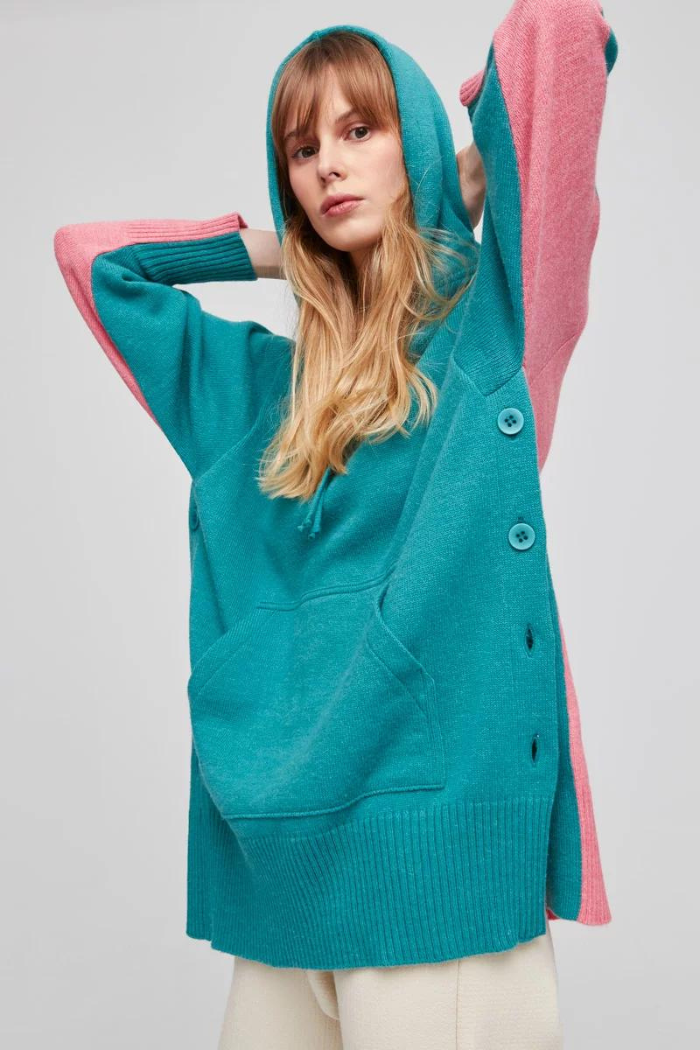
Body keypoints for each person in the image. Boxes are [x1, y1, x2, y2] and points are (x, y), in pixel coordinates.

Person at [53, 1, 619, 1046]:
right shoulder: (256, 393)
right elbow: (92, 260)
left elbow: (559, 31)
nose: (328, 166)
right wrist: (277, 250)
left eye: (361, 130)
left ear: (414, 143)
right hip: (281, 884)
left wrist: (467, 172)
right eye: (301, 148)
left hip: (441, 882)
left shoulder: (492, 343)